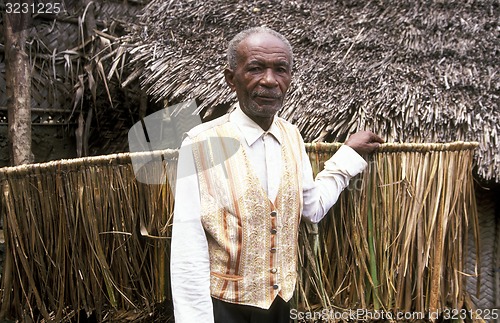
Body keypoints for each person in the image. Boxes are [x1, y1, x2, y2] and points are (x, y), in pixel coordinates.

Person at [170, 26, 384, 323]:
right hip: (223, 309)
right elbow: (187, 244)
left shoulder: (292, 136)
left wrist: (347, 156)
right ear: (231, 79)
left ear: (289, 78)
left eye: (280, 70)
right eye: (255, 68)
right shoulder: (200, 144)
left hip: (283, 304)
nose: (269, 81)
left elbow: (311, 207)